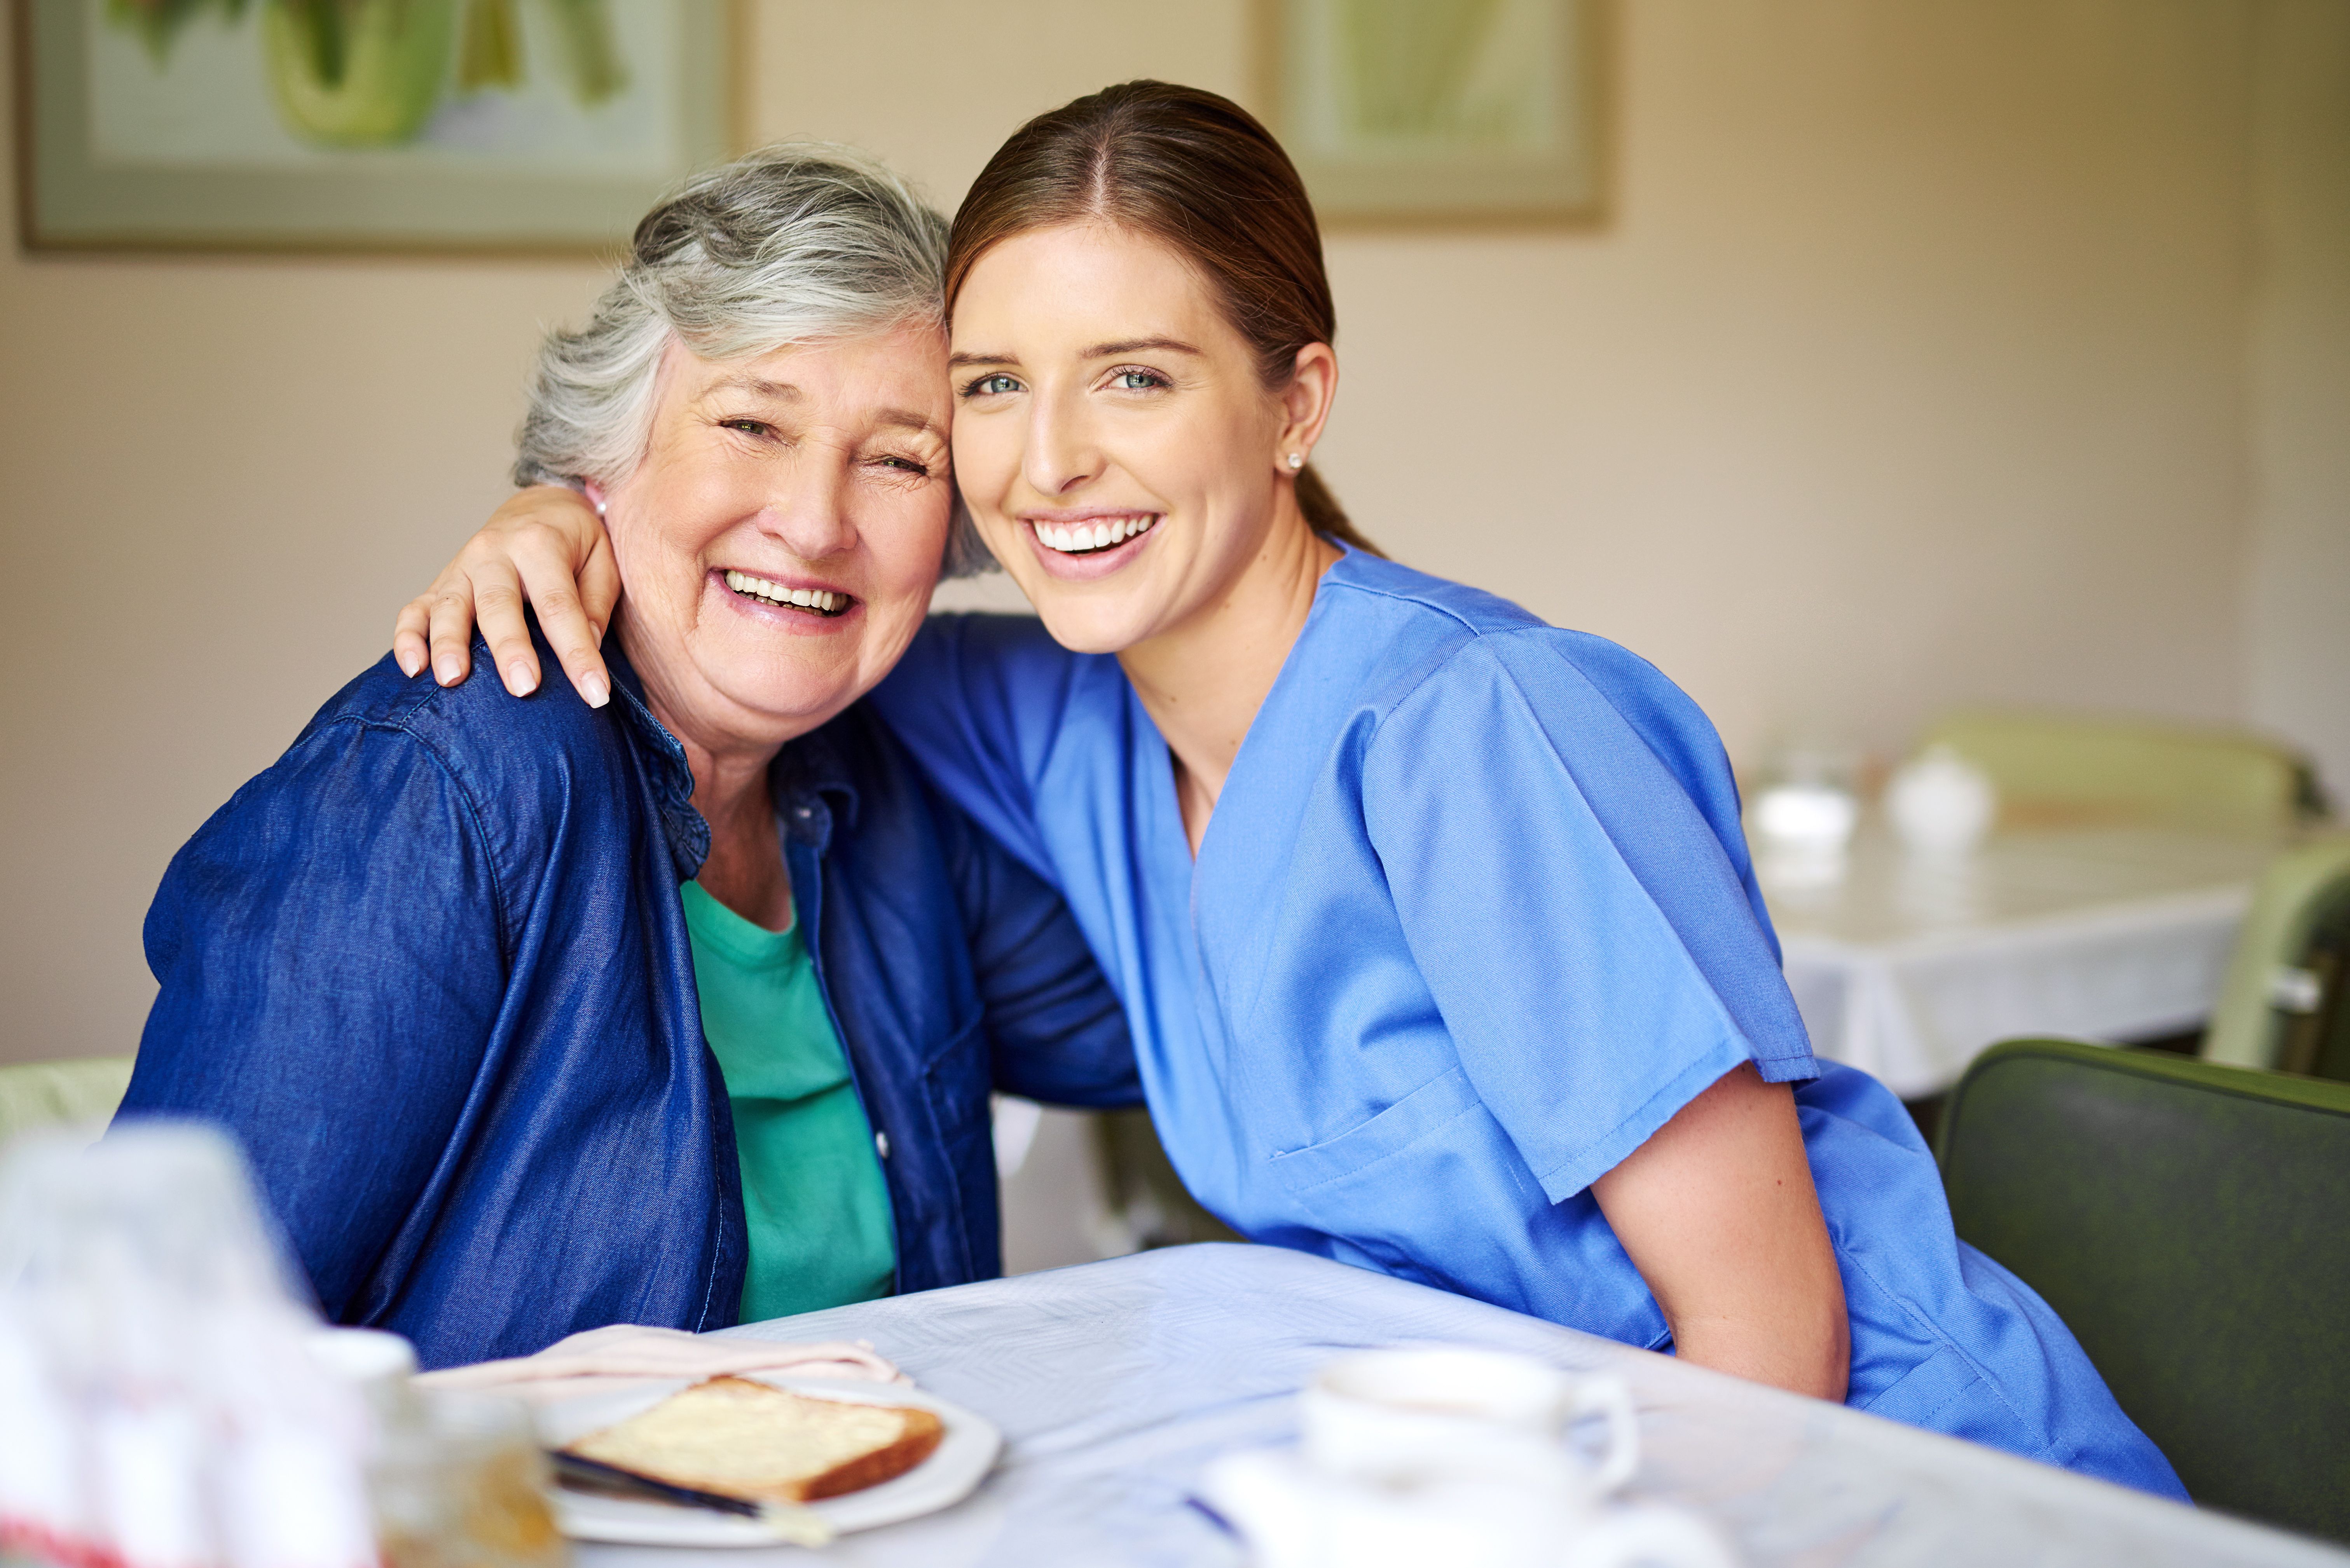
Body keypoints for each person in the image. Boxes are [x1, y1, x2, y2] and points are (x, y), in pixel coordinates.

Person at [395, 84, 2183, 1495]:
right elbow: (789, 618)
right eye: (996, 387)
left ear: (1296, 399)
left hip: (1864, 1481)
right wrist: (573, 513)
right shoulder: (1052, 716)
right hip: (1492, 1478)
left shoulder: (1478, 729)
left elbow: (1769, 1328)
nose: (1051, 461)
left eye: (1139, 380)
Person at [119, 145, 1138, 1371]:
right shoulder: (440, 790)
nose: (817, 522)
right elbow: (148, 1370)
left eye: (900, 457)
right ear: (600, 461)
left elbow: (1203, 1024)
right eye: (754, 423)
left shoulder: (890, 783)